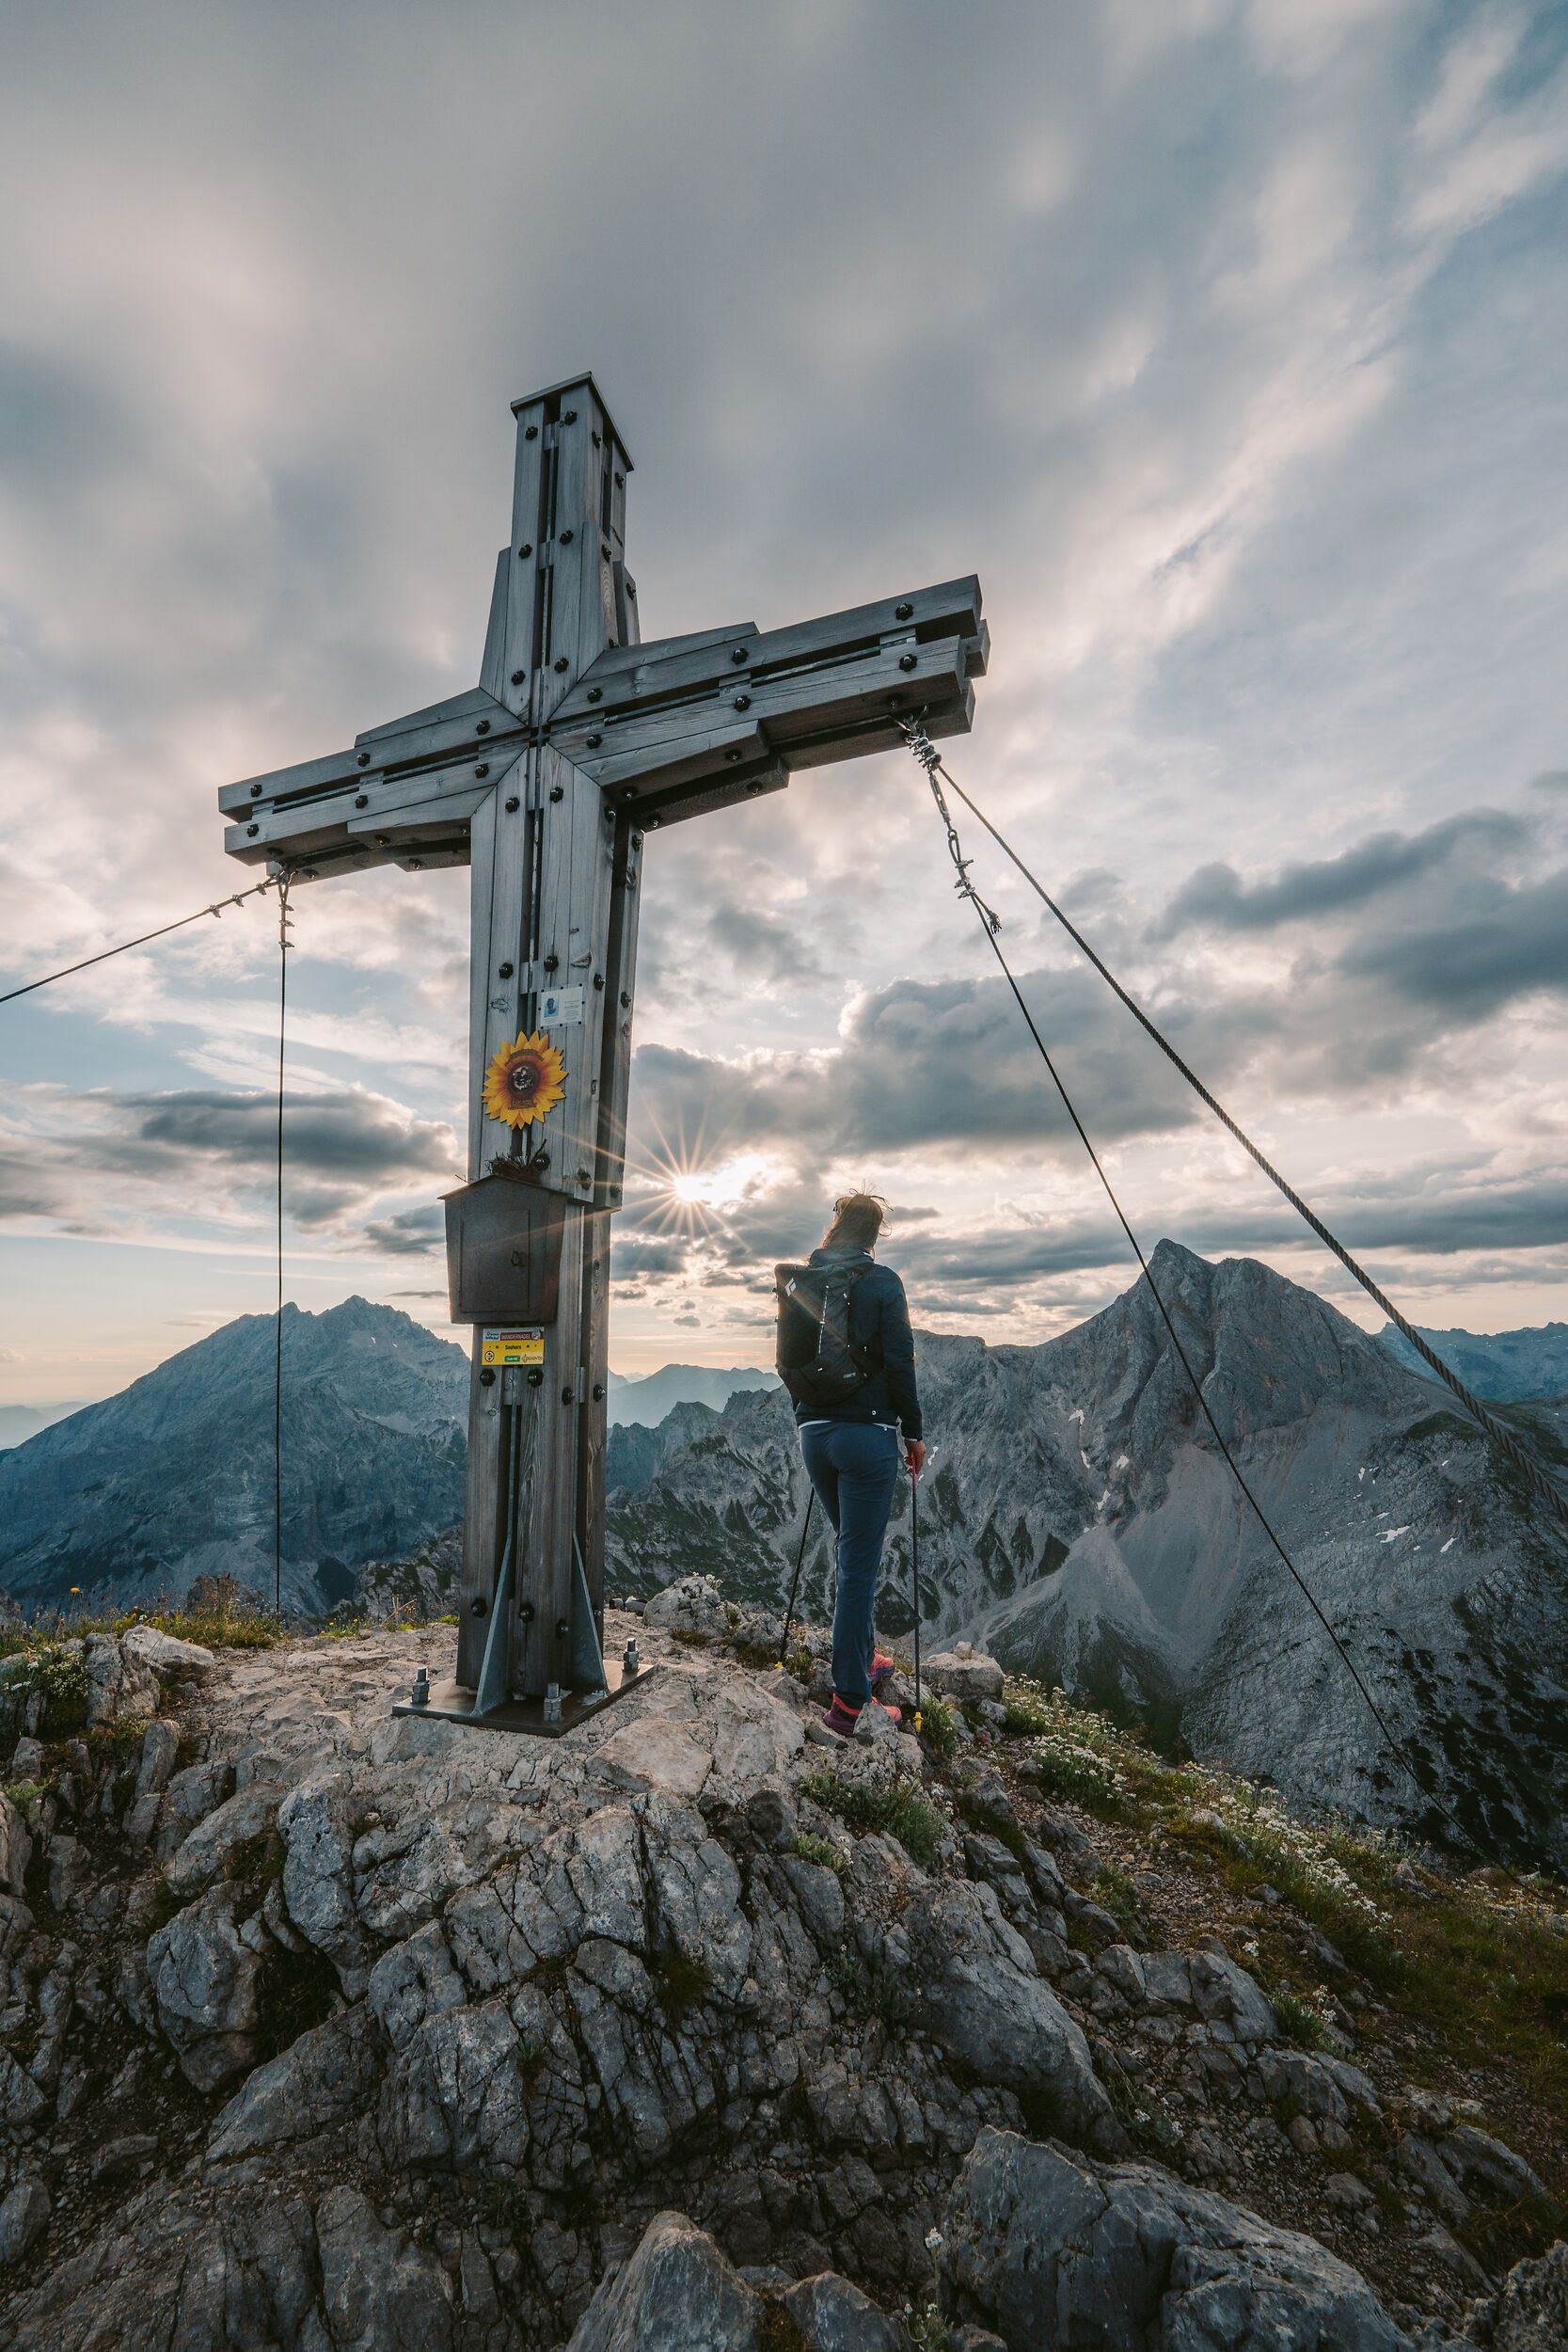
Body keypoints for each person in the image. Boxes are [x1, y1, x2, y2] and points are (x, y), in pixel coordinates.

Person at [792, 1190, 925, 1740]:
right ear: (874, 1236)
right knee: (858, 1568)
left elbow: (788, 1358)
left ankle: (864, 1659)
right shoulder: (883, 1282)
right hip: (867, 1437)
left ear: (835, 1229)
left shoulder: (803, 1280)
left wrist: (811, 1415)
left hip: (813, 1433)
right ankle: (849, 1702)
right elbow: (899, 1359)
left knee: (851, 1549)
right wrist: (913, 1432)